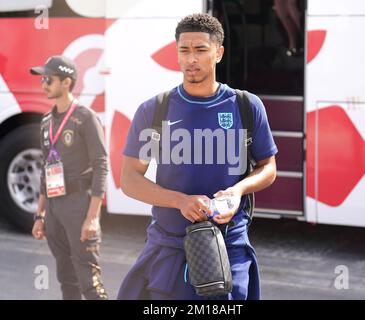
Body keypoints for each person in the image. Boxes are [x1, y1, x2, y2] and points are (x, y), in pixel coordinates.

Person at [117, 13, 277, 300]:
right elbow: (129, 179)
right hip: (169, 246)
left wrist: (237, 191)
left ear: (218, 53)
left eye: (201, 50)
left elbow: (268, 168)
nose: (191, 59)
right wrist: (180, 201)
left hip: (229, 245)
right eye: (184, 50)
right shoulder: (155, 110)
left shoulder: (245, 106)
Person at [30, 56, 108, 300]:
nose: (43, 83)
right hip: (54, 208)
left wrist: (92, 218)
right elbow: (45, 169)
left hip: (79, 205)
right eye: (42, 78)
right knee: (67, 280)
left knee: (90, 283)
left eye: (48, 79)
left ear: (66, 82)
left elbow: (101, 165)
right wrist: (40, 215)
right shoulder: (45, 122)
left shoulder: (86, 118)